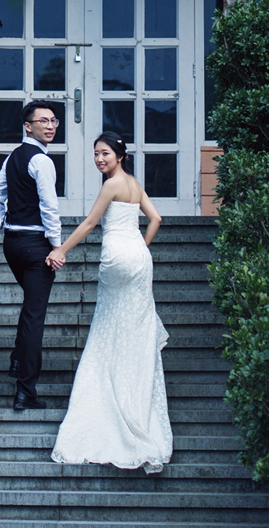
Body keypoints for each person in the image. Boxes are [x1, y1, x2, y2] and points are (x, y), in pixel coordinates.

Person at [47, 132, 172, 473]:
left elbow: (90, 223)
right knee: (133, 329)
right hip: (139, 258)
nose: (99, 159)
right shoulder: (133, 184)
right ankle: (133, 393)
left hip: (117, 257)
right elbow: (156, 219)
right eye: (96, 154)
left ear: (119, 155)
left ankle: (109, 395)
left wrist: (60, 250)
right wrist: (141, 247)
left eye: (105, 153)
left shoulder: (112, 185)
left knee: (108, 329)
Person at [0, 101, 62, 411]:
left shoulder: (13, 156)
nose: (50, 126)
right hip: (36, 245)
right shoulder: (42, 161)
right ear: (28, 126)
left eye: (53, 120)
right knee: (34, 316)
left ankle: (18, 361)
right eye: (43, 121)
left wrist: (3, 223)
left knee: (30, 308)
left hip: (13, 244)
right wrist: (56, 245)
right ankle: (25, 390)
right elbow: (49, 206)